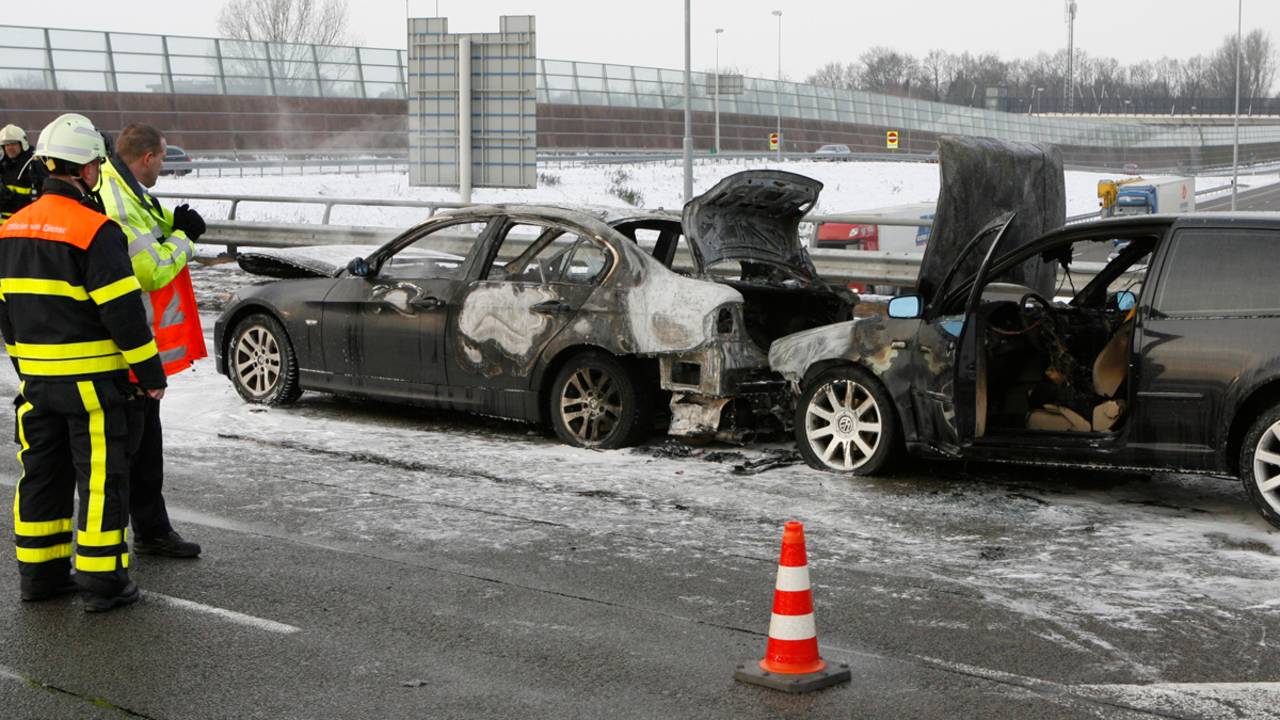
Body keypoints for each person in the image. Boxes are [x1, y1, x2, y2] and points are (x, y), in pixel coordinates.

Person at [0, 113, 166, 611]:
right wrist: (150, 374)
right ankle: (103, 580)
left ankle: (41, 576)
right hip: (92, 385)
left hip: (36, 382)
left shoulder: (11, 229)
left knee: (41, 475)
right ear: (88, 169)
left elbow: (6, 310)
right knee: (101, 478)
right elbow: (123, 313)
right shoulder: (95, 230)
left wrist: (26, 364)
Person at [98, 123, 206, 559]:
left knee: (145, 444)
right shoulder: (117, 197)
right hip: (123, 344)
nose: (163, 165)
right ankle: (117, 543)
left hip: (136, 343)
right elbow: (150, 270)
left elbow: (148, 229)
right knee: (130, 448)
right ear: (147, 158)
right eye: (162, 158)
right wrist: (184, 237)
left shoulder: (125, 187)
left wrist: (173, 224)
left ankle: (150, 529)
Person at [0, 124, 47, 225]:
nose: (9, 148)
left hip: (25, 224)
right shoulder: (3, 165)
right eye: (6, 145)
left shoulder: (34, 164)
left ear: (22, 144)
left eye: (13, 144)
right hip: (4, 226)